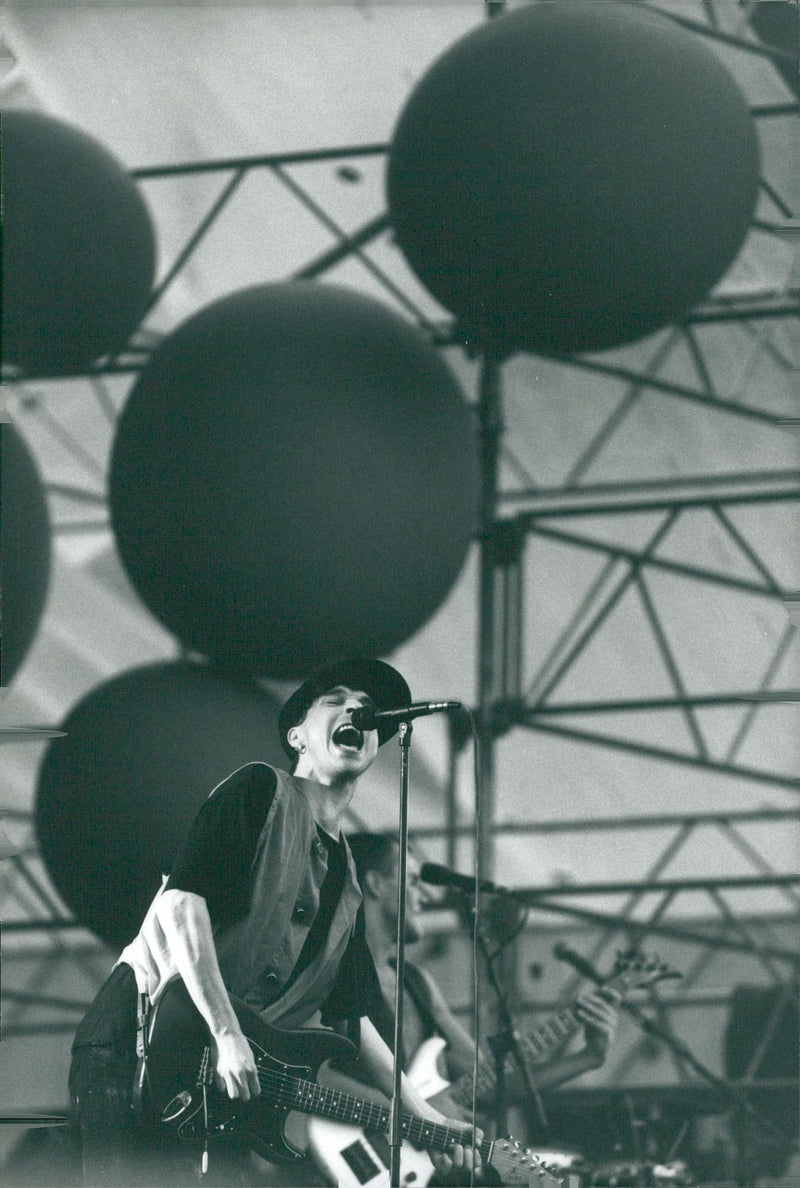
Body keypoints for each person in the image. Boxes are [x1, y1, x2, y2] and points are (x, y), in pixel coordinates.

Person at [68, 658, 481, 1188]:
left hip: (218, 1079)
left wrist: (422, 1115)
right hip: (135, 1040)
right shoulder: (260, 790)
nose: (356, 709)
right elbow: (182, 904)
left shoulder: (347, 880)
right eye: (335, 700)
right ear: (297, 737)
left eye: (366, 707)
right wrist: (227, 1032)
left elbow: (351, 1018)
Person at [309, 831, 620, 1177]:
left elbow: (490, 1083)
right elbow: (307, 1075)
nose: (425, 896)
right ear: (375, 884)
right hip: (332, 1162)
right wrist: (417, 1111)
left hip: (412, 1169)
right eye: (413, 881)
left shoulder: (417, 983)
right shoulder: (325, 972)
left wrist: (588, 1057)